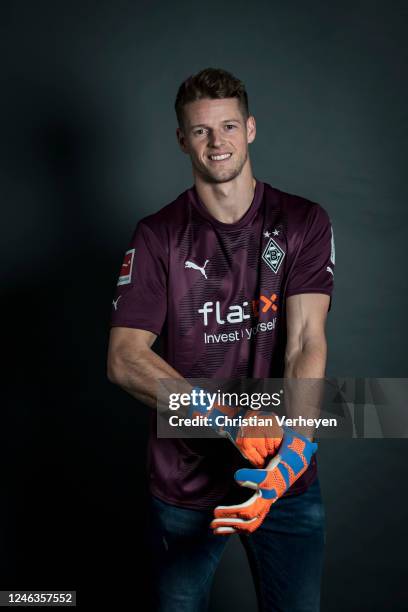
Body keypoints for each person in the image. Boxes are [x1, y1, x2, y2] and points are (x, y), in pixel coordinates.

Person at [107, 67, 335, 611]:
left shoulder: (303, 221)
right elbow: (124, 359)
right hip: (186, 485)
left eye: (228, 127)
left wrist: (296, 449)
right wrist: (228, 419)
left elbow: (307, 340)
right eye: (202, 131)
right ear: (182, 139)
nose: (217, 143)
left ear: (251, 129)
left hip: (283, 480)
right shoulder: (158, 235)